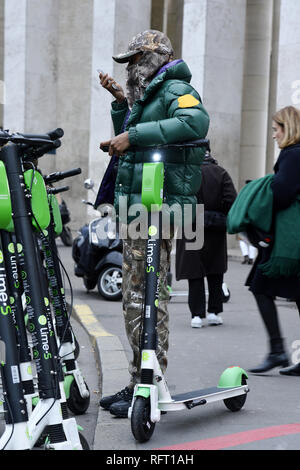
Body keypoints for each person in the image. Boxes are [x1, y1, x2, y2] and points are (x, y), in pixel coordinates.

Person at [97, 30, 210, 417]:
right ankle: (138, 379)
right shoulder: (148, 95)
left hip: (158, 208)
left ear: (154, 57)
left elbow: (195, 124)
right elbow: (131, 141)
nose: (129, 68)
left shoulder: (176, 86)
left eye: (134, 60)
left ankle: (148, 381)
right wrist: (120, 107)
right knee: (134, 297)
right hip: (137, 207)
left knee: (149, 295)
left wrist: (134, 132)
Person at [245, 106, 300, 375]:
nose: (273, 135)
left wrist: (262, 187)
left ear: (287, 128)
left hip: (286, 241)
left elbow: (282, 194)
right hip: (293, 239)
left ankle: (278, 350)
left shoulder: (293, 155)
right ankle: (278, 350)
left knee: (260, 286)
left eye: (275, 129)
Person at [175, 150, 237, 328]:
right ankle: (214, 312)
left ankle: (196, 315)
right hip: (215, 229)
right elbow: (232, 201)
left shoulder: (187, 173)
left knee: (195, 273)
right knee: (215, 272)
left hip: (191, 229)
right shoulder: (221, 173)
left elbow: (179, 202)